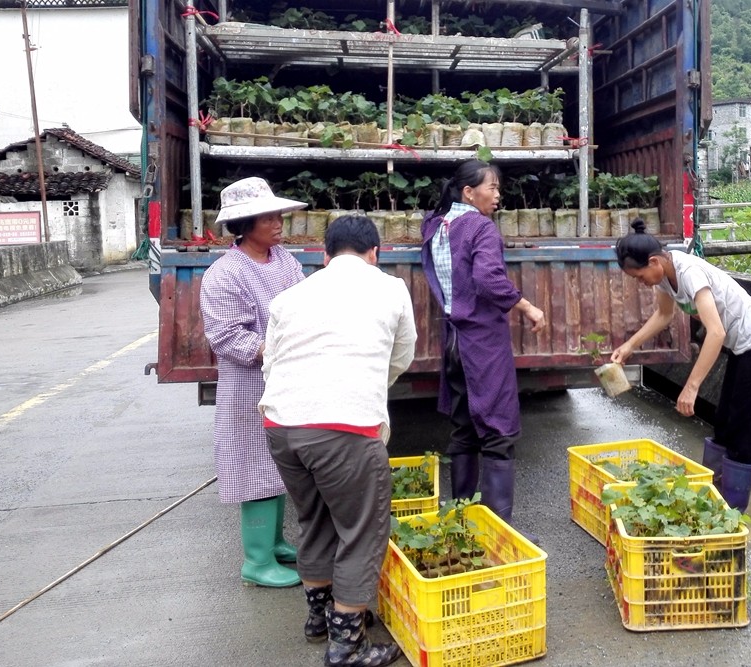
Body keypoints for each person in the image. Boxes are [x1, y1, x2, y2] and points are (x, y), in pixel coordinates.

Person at [260, 215, 416, 667]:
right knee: (362, 531)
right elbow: (401, 355)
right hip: (344, 429)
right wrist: (365, 387)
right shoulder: (389, 288)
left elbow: (272, 362)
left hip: (282, 427)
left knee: (316, 521)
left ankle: (319, 618)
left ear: (324, 256)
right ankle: (347, 644)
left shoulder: (290, 296)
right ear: (375, 254)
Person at [609, 219, 751, 511]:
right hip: (742, 347)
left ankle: (733, 515)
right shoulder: (665, 274)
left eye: (639, 276)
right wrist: (629, 346)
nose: (641, 282)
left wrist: (691, 387)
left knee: (743, 433)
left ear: (654, 261)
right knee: (724, 424)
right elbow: (663, 316)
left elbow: (716, 332)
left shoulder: (689, 272)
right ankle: (712, 502)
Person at [420, 160, 546, 531]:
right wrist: (526, 306)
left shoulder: (436, 226)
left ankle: (462, 513)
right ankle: (497, 527)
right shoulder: (480, 227)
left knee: (464, 427)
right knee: (498, 431)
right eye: (491, 188)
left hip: (454, 339)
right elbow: (489, 279)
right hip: (482, 342)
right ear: (468, 192)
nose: (497, 195)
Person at [199, 176, 307, 588]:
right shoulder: (224, 275)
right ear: (244, 224)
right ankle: (256, 561)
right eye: (269, 217)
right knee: (254, 466)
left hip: (286, 379)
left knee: (279, 462)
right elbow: (227, 337)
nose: (279, 222)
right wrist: (277, 347)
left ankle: (275, 543)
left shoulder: (284, 260)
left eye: (279, 214)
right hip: (249, 385)